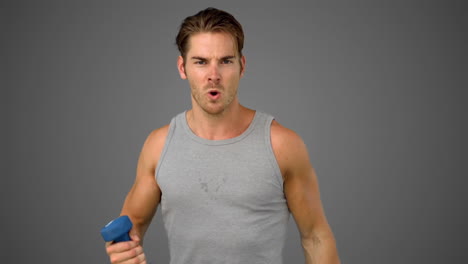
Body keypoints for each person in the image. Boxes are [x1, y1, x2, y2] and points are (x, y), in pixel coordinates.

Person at [105, 7, 340, 264]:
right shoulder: (159, 145)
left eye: (226, 61)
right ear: (183, 68)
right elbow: (131, 225)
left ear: (242, 66)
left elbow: (316, 236)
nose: (213, 76)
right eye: (201, 62)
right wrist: (123, 251)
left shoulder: (282, 145)